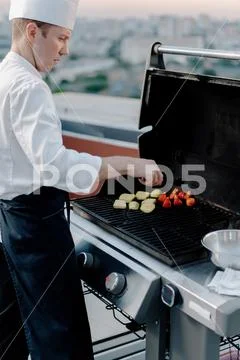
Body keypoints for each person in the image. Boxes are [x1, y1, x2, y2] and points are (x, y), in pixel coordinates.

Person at [0, 0, 163, 359]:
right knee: (61, 335)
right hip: (35, 227)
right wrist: (125, 164)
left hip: (12, 220)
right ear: (32, 31)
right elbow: (54, 165)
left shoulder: (6, 74)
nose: (66, 50)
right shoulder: (29, 87)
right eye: (61, 38)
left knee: (15, 332)